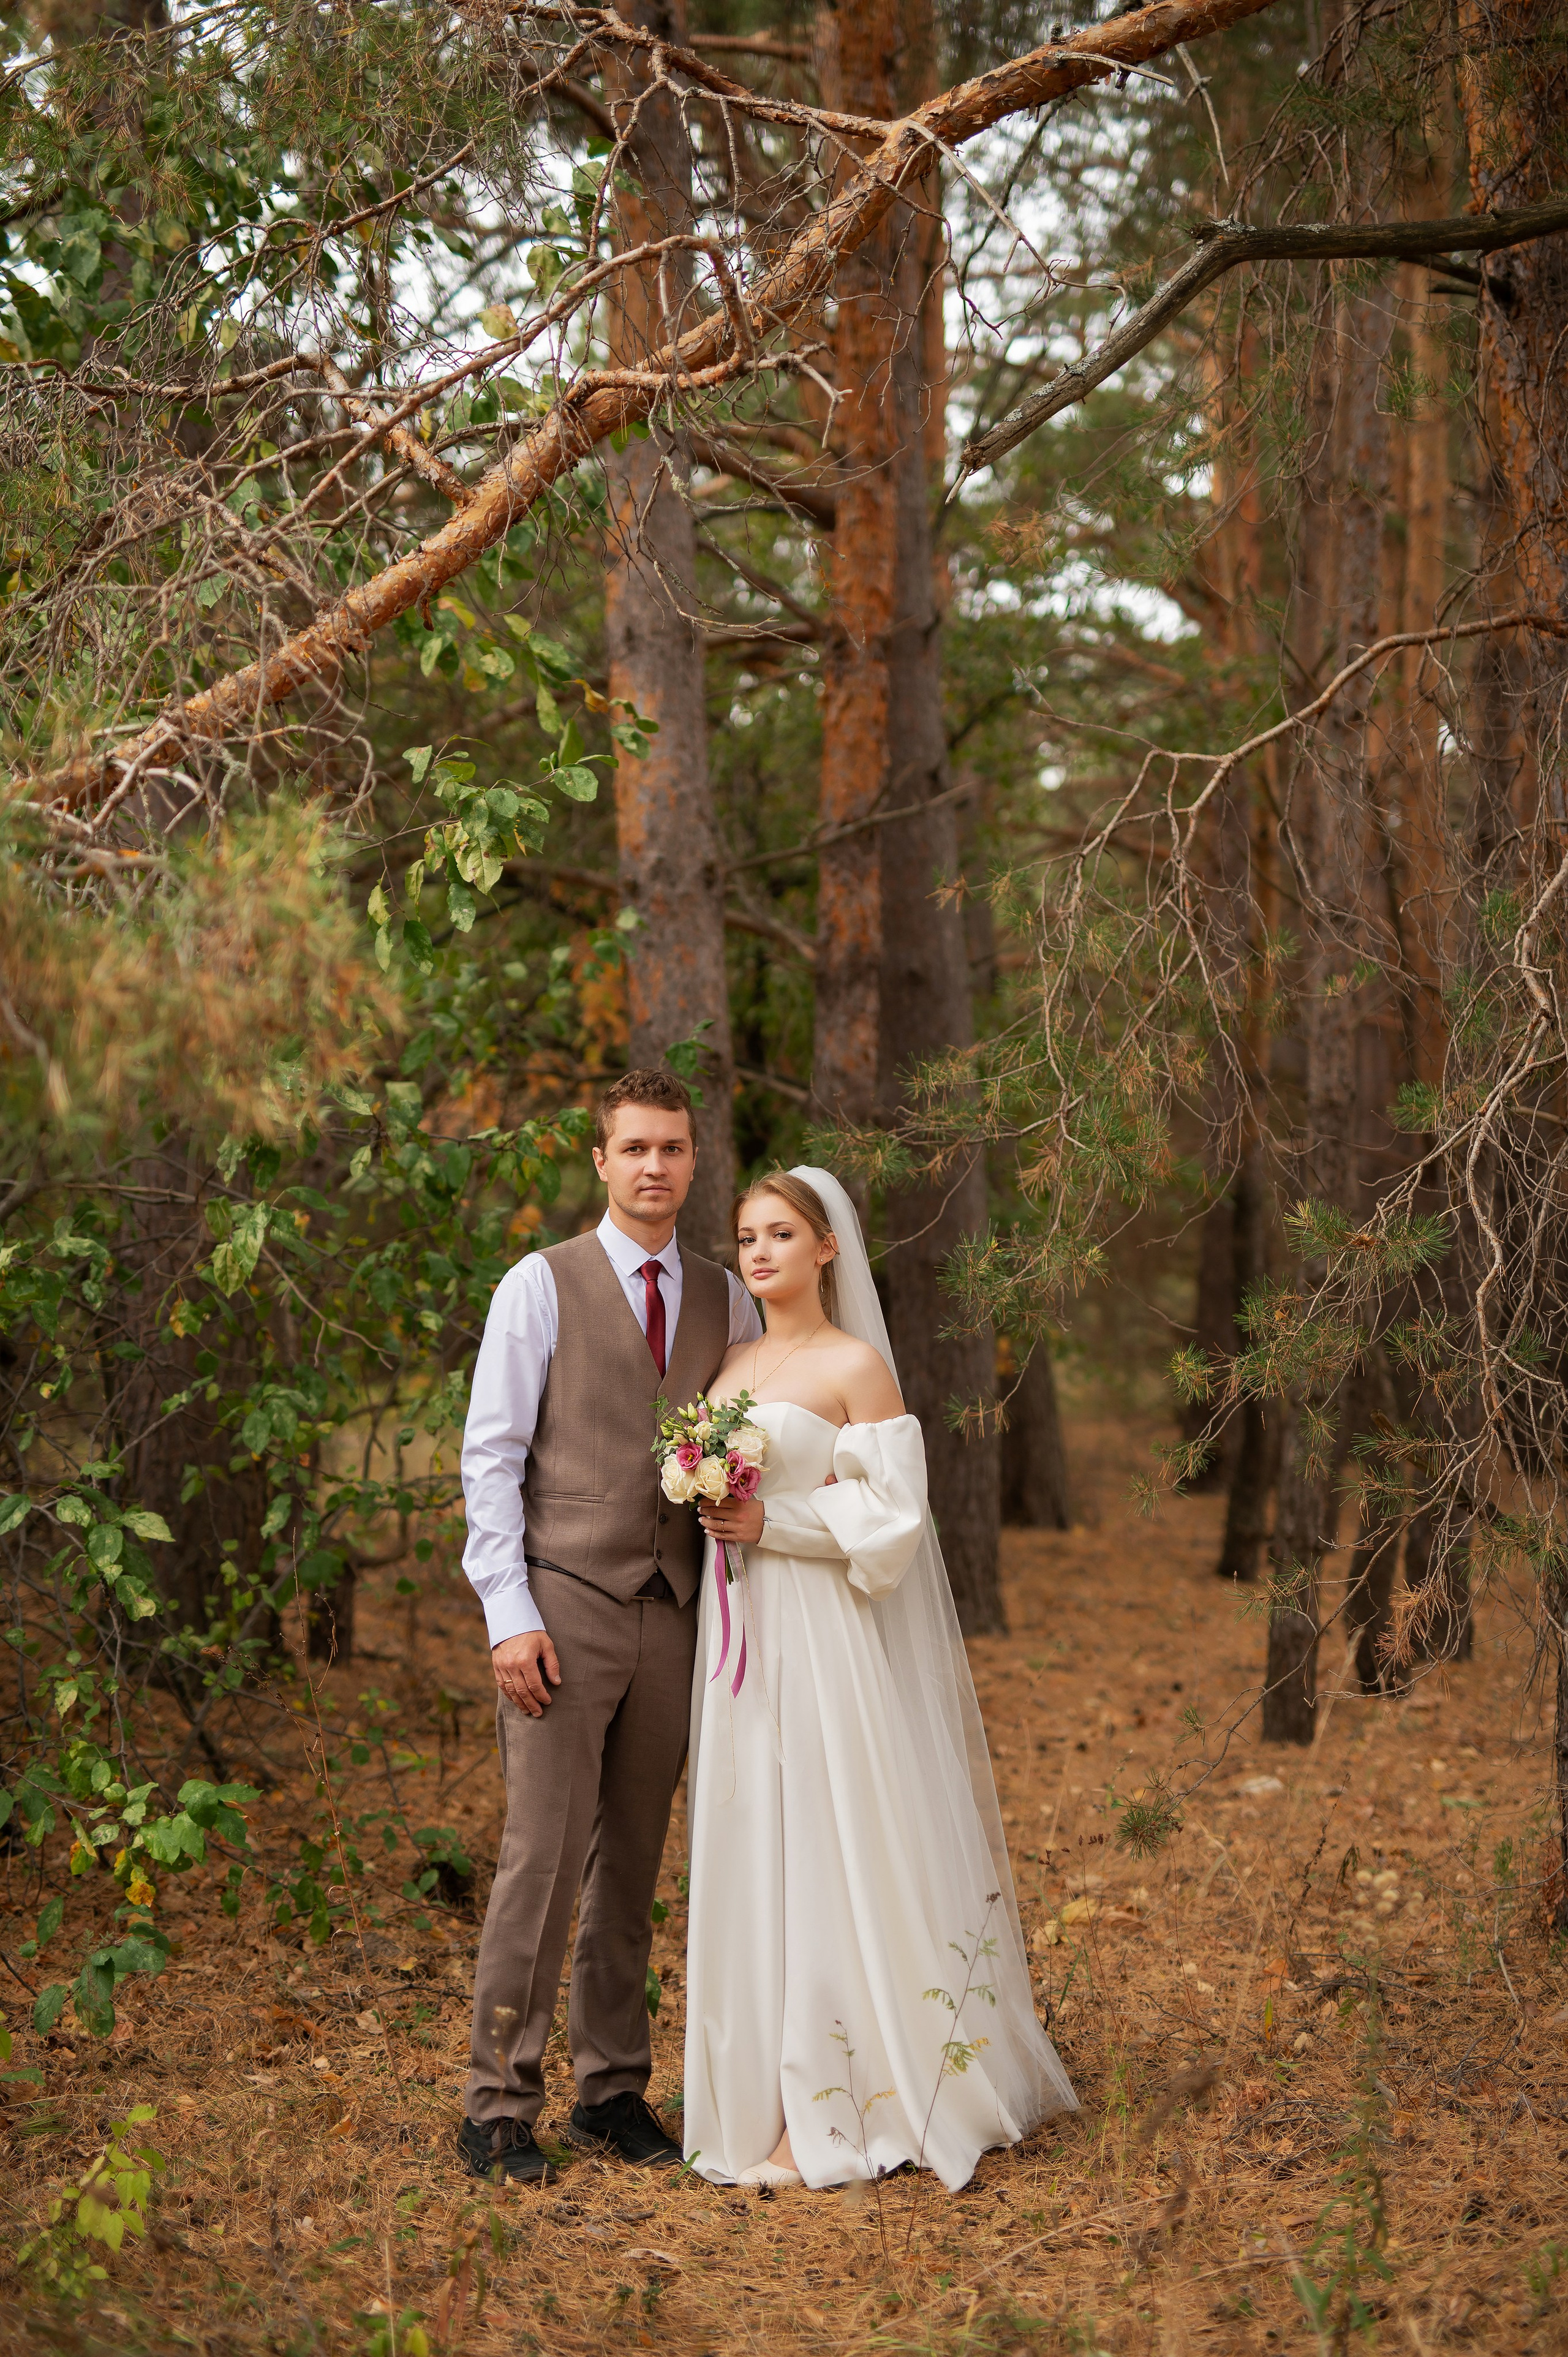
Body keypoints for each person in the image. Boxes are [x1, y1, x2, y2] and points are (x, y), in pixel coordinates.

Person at [683, 1168, 1077, 2190]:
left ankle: (849, 2092)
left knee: (825, 1836)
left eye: (780, 1234)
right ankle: (758, 2090)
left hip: (821, 1632)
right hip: (738, 1634)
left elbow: (896, 1523)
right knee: (755, 1835)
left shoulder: (856, 1366)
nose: (759, 1253)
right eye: (745, 1237)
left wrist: (779, 1522)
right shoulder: (729, 1366)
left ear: (827, 1248)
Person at [454, 1070, 761, 2184]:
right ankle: (497, 2103)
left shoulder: (731, 1299)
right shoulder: (541, 1287)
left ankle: (612, 2092)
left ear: (693, 1160)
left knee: (632, 1865)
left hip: (678, 1613)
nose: (654, 1168)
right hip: (560, 1610)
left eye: (673, 1149)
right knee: (539, 1860)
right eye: (633, 1148)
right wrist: (508, 1615)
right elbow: (490, 1459)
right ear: (600, 1161)